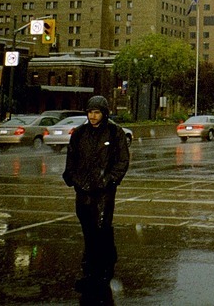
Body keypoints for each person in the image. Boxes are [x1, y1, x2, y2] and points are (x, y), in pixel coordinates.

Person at [63, 95, 130, 293]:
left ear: (104, 113)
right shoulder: (80, 133)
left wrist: (108, 180)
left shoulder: (114, 132)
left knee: (102, 229)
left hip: (104, 191)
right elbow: (72, 159)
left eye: (97, 112)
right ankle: (90, 271)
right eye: (90, 112)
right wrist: (74, 179)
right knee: (88, 230)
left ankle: (103, 269)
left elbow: (122, 161)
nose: (93, 116)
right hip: (83, 189)